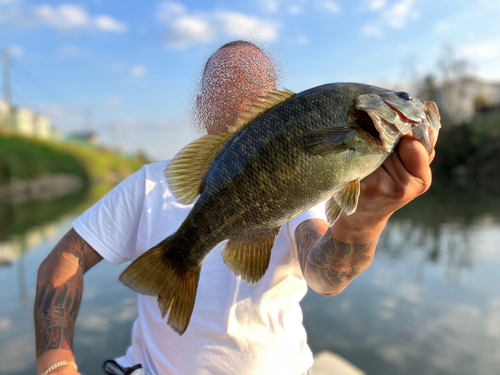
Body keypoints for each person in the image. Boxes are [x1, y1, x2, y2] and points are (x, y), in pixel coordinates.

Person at [34, 40, 435, 375]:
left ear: (277, 102)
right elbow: (66, 255)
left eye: (257, 83)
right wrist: (57, 362)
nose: (241, 94)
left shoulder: (306, 185)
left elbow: (326, 278)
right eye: (225, 82)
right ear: (201, 102)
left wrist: (365, 219)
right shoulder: (148, 185)